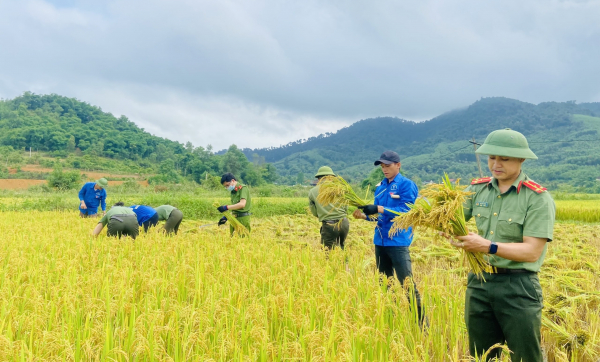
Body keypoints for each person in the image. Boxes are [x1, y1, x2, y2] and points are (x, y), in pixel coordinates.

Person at [444, 128, 555, 362]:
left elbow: (532, 252)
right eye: (492, 157)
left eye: (504, 158)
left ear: (521, 159)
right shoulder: (477, 189)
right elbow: (449, 217)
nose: (496, 164)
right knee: (481, 355)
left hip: (518, 286)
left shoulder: (537, 198)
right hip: (480, 282)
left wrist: (487, 246)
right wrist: (448, 229)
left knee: (526, 357)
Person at [352, 150, 424, 324]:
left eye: (388, 165)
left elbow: (407, 212)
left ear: (398, 165)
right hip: (380, 241)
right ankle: (391, 320)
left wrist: (380, 209)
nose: (384, 169)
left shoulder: (407, 185)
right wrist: (364, 216)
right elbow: (377, 215)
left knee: (407, 284)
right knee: (385, 283)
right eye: (382, 166)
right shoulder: (380, 186)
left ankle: (421, 325)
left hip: (398, 241)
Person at [308, 166, 349, 249]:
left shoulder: (312, 192)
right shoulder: (340, 189)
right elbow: (346, 207)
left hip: (329, 224)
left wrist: (323, 214)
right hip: (344, 223)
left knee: (328, 251)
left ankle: (331, 262)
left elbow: (314, 211)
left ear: (319, 178)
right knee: (341, 247)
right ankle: (345, 262)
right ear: (331, 177)